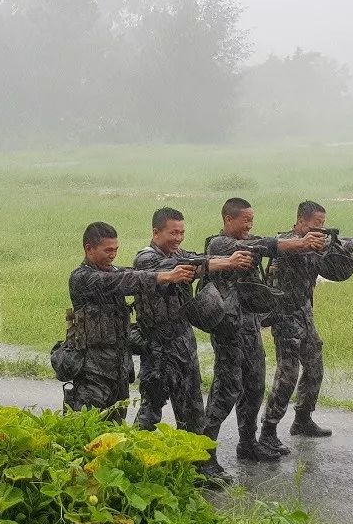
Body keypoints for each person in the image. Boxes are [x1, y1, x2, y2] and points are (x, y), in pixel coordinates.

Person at [201, 198, 326, 478]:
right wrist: (302, 243)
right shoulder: (219, 245)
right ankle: (204, 455)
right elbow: (272, 245)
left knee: (254, 386)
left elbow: (267, 242)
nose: (249, 225)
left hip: (250, 325)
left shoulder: (248, 240)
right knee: (226, 390)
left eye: (251, 220)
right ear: (227, 219)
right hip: (228, 329)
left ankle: (248, 443)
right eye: (244, 220)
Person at [259, 201, 353, 453]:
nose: (321, 230)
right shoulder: (288, 241)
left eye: (323, 225)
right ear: (301, 221)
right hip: (285, 316)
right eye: (317, 224)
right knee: (287, 374)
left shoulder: (315, 241)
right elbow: (308, 246)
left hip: (304, 313)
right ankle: (268, 430)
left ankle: (303, 419)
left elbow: (332, 243)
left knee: (315, 364)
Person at [132, 207, 253, 435]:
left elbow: (199, 259)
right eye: (173, 233)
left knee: (192, 411)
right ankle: (134, 461)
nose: (178, 238)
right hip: (158, 348)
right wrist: (227, 262)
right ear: (156, 232)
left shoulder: (178, 253)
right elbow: (187, 267)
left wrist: (228, 260)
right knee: (151, 412)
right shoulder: (146, 259)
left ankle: (197, 465)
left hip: (183, 342)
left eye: (181, 233)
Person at [65, 221, 196, 422]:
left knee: (116, 433)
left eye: (115, 250)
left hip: (119, 370)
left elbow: (130, 275)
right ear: (89, 249)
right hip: (92, 372)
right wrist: (166, 276)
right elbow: (124, 282)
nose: (112, 255)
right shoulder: (82, 277)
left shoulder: (114, 271)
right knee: (87, 429)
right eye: (107, 250)